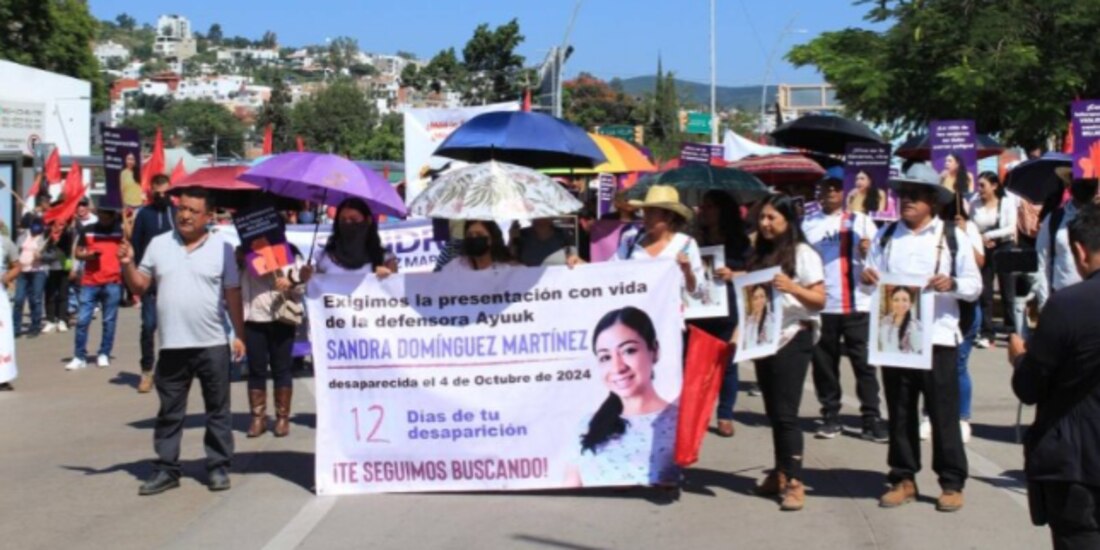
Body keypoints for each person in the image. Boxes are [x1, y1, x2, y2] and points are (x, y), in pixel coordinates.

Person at [861, 163, 980, 513]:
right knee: (899, 410)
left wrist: (952, 284)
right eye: (903, 195)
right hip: (895, 339)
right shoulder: (885, 237)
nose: (906, 201)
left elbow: (975, 287)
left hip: (938, 337)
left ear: (932, 200)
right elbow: (869, 284)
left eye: (914, 195)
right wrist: (866, 279)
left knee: (943, 412)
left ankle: (952, 481)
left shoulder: (952, 237)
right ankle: (902, 477)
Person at [119, 187, 245, 496]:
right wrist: (126, 264)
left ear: (208, 216)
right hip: (172, 345)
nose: (185, 215)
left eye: (193, 211)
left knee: (218, 409)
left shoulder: (223, 249)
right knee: (170, 411)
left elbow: (232, 294)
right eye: (182, 209)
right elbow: (140, 285)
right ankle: (166, 469)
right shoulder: (159, 245)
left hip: (212, 342)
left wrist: (239, 335)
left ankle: (217, 466)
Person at [1009, 202, 1100, 550]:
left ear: (1078, 251)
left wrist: (1019, 359)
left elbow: (1029, 387)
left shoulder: (1067, 304)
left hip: (1076, 463)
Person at [745, 194, 826, 512]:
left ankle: (795, 481)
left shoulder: (803, 253)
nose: (764, 224)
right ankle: (779, 472)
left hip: (794, 336)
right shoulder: (761, 252)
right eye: (762, 217)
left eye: (771, 218)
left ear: (788, 221)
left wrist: (793, 288)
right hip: (765, 337)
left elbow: (819, 299)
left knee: (787, 413)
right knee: (773, 411)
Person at [803, 174, 887, 442]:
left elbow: (878, 260)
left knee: (864, 365)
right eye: (825, 188)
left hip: (857, 303)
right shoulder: (808, 224)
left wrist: (865, 250)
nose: (829, 192)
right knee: (824, 365)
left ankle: (871, 417)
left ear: (844, 193)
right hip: (823, 305)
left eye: (835, 188)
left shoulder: (861, 221)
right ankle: (830, 415)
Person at [564, 306, 678, 487]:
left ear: (654, 350)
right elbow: (571, 487)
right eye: (605, 357)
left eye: (629, 351)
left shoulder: (679, 422)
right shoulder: (588, 424)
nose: (617, 367)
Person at [693, 190, 751, 438]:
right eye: (702, 206)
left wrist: (733, 275)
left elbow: (755, 274)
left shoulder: (740, 241)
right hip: (699, 308)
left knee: (727, 363)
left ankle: (725, 414)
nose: (704, 211)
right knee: (696, 364)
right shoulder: (695, 239)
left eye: (709, 207)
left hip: (728, 307)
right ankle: (697, 414)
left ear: (722, 211)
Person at [240, 243, 305, 438]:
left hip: (282, 318)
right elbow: (233, 282)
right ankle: (258, 418)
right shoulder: (245, 253)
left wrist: (290, 282)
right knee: (256, 369)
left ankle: (282, 418)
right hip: (254, 318)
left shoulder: (290, 252)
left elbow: (302, 287)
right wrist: (242, 259)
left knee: (282, 368)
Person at [609, 185, 704, 306]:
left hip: (670, 320)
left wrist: (687, 271)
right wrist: (582, 265)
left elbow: (697, 293)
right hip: (635, 318)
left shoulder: (686, 244)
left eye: (651, 212)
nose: (645, 217)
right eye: (645, 212)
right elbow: (609, 271)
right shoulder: (630, 241)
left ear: (668, 216)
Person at [130, 174, 177, 393]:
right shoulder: (144, 214)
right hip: (150, 280)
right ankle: (147, 370)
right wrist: (139, 277)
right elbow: (136, 246)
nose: (162, 196)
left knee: (173, 326)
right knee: (149, 325)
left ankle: (169, 370)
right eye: (157, 193)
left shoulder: (175, 213)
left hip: (174, 279)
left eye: (165, 192)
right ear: (151, 192)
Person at [66, 202, 124, 370]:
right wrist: (88, 256)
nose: (104, 220)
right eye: (101, 216)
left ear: (113, 216)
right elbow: (78, 252)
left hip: (112, 281)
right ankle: (79, 356)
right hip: (90, 282)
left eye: (107, 217)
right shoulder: (88, 229)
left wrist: (128, 215)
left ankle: (104, 353)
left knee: (109, 321)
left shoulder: (120, 230)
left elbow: (131, 238)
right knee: (82, 320)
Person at [969, 171, 1018, 348]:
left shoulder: (1006, 202)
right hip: (983, 247)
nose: (979, 189)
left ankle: (1012, 329)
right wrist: (980, 238)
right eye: (978, 185)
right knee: (985, 291)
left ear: (994, 186)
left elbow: (1010, 228)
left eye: (983, 185)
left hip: (1004, 246)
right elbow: (971, 225)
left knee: (1008, 290)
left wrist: (990, 235)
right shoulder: (974, 203)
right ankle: (987, 331)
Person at [1035, 178, 1100, 309]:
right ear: (1069, 184)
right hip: (1063, 299)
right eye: (1080, 180)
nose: (1085, 184)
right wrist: (1044, 303)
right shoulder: (1054, 219)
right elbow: (1042, 263)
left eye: (1090, 181)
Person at [12, 212, 49, 338]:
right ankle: (16, 328)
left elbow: (52, 255)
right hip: (22, 271)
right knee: (18, 299)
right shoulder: (22, 236)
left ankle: (35, 326)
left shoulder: (45, 238)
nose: (36, 228)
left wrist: (42, 256)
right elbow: (15, 252)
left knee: (36, 299)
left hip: (38, 272)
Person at [440, 220, 515, 273]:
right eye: (470, 235)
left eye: (479, 235)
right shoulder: (455, 267)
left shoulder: (507, 269)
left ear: (491, 239)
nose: (474, 238)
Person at [42, 219, 73, 334]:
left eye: (61, 224)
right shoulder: (47, 235)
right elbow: (42, 253)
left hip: (63, 267)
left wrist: (70, 267)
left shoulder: (67, 235)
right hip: (49, 268)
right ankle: (50, 320)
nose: (58, 227)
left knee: (63, 294)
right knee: (49, 295)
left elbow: (69, 252)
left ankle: (62, 320)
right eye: (56, 225)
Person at [0, 232, 22, 390]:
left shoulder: (5, 243)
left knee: (3, 337)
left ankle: (3, 377)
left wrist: (6, 278)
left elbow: (17, 266)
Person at [878, 286, 922, 354]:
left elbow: (918, 351)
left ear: (910, 304)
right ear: (891, 302)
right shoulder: (884, 322)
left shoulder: (916, 326)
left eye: (904, 300)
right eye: (896, 300)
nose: (900, 304)